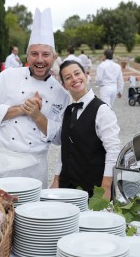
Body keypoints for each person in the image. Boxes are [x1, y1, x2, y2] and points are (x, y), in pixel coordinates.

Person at [0, 8, 70, 192]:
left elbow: (59, 138)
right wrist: (21, 109)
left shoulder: (61, 95)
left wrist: (37, 116)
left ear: (54, 58)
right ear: (27, 55)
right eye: (34, 54)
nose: (40, 59)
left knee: (29, 218)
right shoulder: (7, 76)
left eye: (45, 54)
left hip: (33, 166)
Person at [50, 60, 120, 199]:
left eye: (77, 73)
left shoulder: (102, 110)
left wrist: (106, 187)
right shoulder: (68, 110)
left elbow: (113, 150)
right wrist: (56, 179)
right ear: (64, 85)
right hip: (67, 185)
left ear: (86, 75)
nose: (74, 79)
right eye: (68, 77)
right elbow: (65, 148)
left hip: (93, 187)